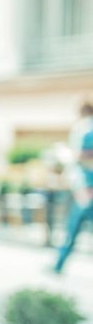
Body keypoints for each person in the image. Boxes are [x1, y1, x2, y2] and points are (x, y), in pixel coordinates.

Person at [54, 101, 93, 274]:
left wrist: (68, 156)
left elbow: (85, 158)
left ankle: (59, 265)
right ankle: (59, 264)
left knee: (73, 227)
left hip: (87, 189)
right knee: (73, 228)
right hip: (86, 188)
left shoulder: (86, 129)